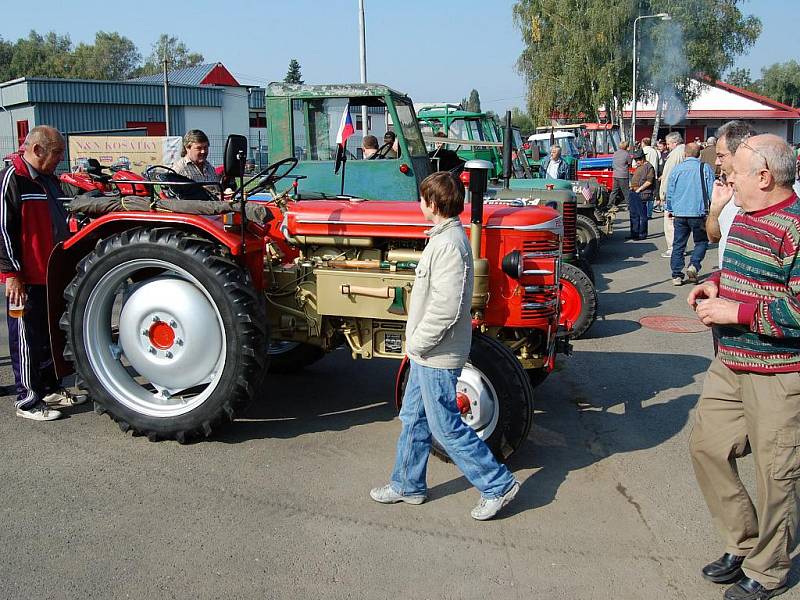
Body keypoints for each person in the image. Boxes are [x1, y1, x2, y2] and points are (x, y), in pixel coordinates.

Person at [370, 171, 519, 521]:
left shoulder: (449, 244)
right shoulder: (444, 238)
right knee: (413, 417)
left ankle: (498, 485)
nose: (419, 204)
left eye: (422, 199)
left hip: (436, 353)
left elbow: (447, 308)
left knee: (445, 426)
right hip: (428, 352)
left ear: (434, 205)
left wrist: (418, 342)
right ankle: (407, 483)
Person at [688, 134, 800, 600]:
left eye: (735, 167)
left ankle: (769, 570)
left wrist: (736, 312)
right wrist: (715, 284)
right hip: (732, 363)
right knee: (706, 447)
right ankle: (744, 542)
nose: (726, 173)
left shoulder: (794, 227)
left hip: (778, 373)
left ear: (765, 177)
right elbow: (740, 273)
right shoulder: (747, 217)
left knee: (778, 477)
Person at [0, 126, 85, 421]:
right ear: (37, 150)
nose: (60, 159)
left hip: (50, 274)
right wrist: (11, 273)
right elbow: (2, 230)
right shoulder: (13, 178)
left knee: (48, 335)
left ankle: (49, 388)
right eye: (57, 153)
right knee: (25, 336)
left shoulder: (48, 180)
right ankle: (28, 398)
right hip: (22, 278)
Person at [705, 121, 757, 270]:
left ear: (742, 152)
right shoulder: (725, 189)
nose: (717, 162)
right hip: (728, 284)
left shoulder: (782, 192)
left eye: (721, 156)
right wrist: (715, 209)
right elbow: (714, 237)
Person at [666, 142, 713, 285]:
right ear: (699, 153)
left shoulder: (677, 169)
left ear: (685, 153)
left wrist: (670, 209)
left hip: (679, 213)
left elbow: (670, 191)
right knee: (701, 242)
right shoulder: (705, 168)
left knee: (678, 244)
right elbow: (711, 191)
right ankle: (694, 264)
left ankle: (676, 275)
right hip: (699, 213)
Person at [659, 132, 686, 258]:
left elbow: (668, 176)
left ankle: (673, 248)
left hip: (673, 194)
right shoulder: (685, 151)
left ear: (675, 143)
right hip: (682, 193)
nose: (668, 146)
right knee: (679, 223)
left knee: (670, 222)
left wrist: (663, 193)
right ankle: (680, 247)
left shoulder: (675, 154)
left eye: (669, 144)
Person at [628, 149, 655, 240]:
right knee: (633, 214)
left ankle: (642, 234)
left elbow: (649, 181)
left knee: (642, 216)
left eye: (638, 159)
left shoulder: (649, 167)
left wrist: (639, 189)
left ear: (643, 158)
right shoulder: (639, 167)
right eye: (636, 160)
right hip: (634, 191)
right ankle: (634, 233)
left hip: (641, 193)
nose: (636, 161)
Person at [641, 137, 661, 217]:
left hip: (644, 175)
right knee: (651, 196)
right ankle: (649, 213)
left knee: (644, 194)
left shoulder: (643, 151)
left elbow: (636, 164)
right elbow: (659, 162)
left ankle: (644, 212)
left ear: (643, 143)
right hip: (654, 175)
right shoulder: (655, 151)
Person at [611, 141, 632, 209]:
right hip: (623, 175)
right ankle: (629, 205)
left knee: (614, 191)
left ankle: (610, 204)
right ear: (626, 147)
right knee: (626, 191)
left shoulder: (615, 153)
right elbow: (630, 163)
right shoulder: (626, 154)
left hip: (615, 174)